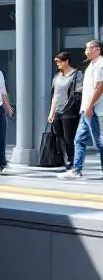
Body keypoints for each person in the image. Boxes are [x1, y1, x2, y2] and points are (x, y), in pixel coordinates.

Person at [61, 40, 103, 180]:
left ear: (97, 49)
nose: (86, 51)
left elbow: (99, 87)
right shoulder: (91, 65)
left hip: (95, 111)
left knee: (99, 142)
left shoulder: (100, 65)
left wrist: (90, 106)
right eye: (86, 48)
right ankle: (77, 170)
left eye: (89, 48)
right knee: (79, 139)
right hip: (87, 110)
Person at [49, 51, 83, 171]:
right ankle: (62, 160)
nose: (57, 64)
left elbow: (78, 94)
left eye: (58, 61)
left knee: (69, 138)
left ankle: (72, 160)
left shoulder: (76, 74)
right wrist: (51, 112)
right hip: (58, 111)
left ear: (66, 61)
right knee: (59, 137)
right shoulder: (57, 76)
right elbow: (55, 96)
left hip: (70, 111)